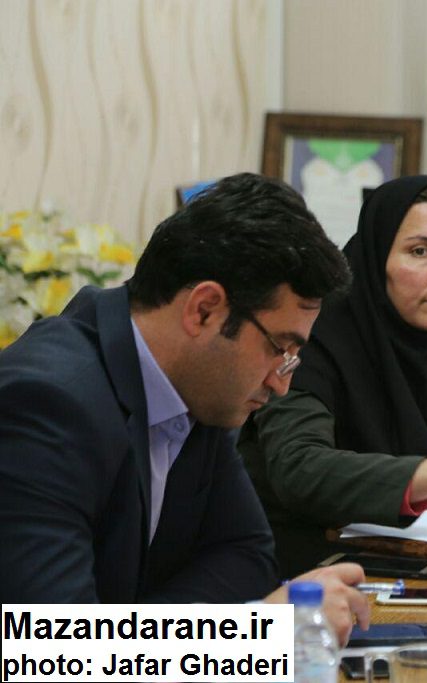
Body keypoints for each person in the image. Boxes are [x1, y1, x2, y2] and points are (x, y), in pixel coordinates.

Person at [0, 173, 369, 642]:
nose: (281, 384)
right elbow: (47, 653)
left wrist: (133, 640)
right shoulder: (46, 405)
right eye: (279, 348)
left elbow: (248, 554)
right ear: (204, 310)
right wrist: (252, 633)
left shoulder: (198, 388)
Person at [238, 175, 427, 578]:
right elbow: (299, 467)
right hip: (307, 578)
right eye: (421, 251)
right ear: (376, 257)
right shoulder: (313, 342)